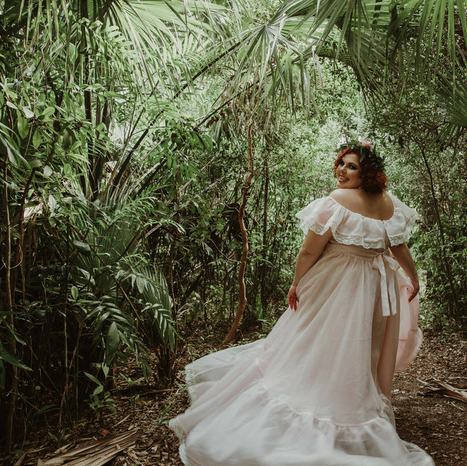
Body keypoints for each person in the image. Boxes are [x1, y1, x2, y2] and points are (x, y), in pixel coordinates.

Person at [169, 142, 434, 465]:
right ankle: (348, 403)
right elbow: (399, 247)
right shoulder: (388, 204)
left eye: (351, 166)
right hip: (377, 289)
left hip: (341, 284)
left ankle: (329, 402)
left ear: (367, 173)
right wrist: (412, 276)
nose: (341, 170)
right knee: (358, 347)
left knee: (323, 344)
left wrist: (297, 283)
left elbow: (309, 251)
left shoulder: (336, 202)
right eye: (340, 163)